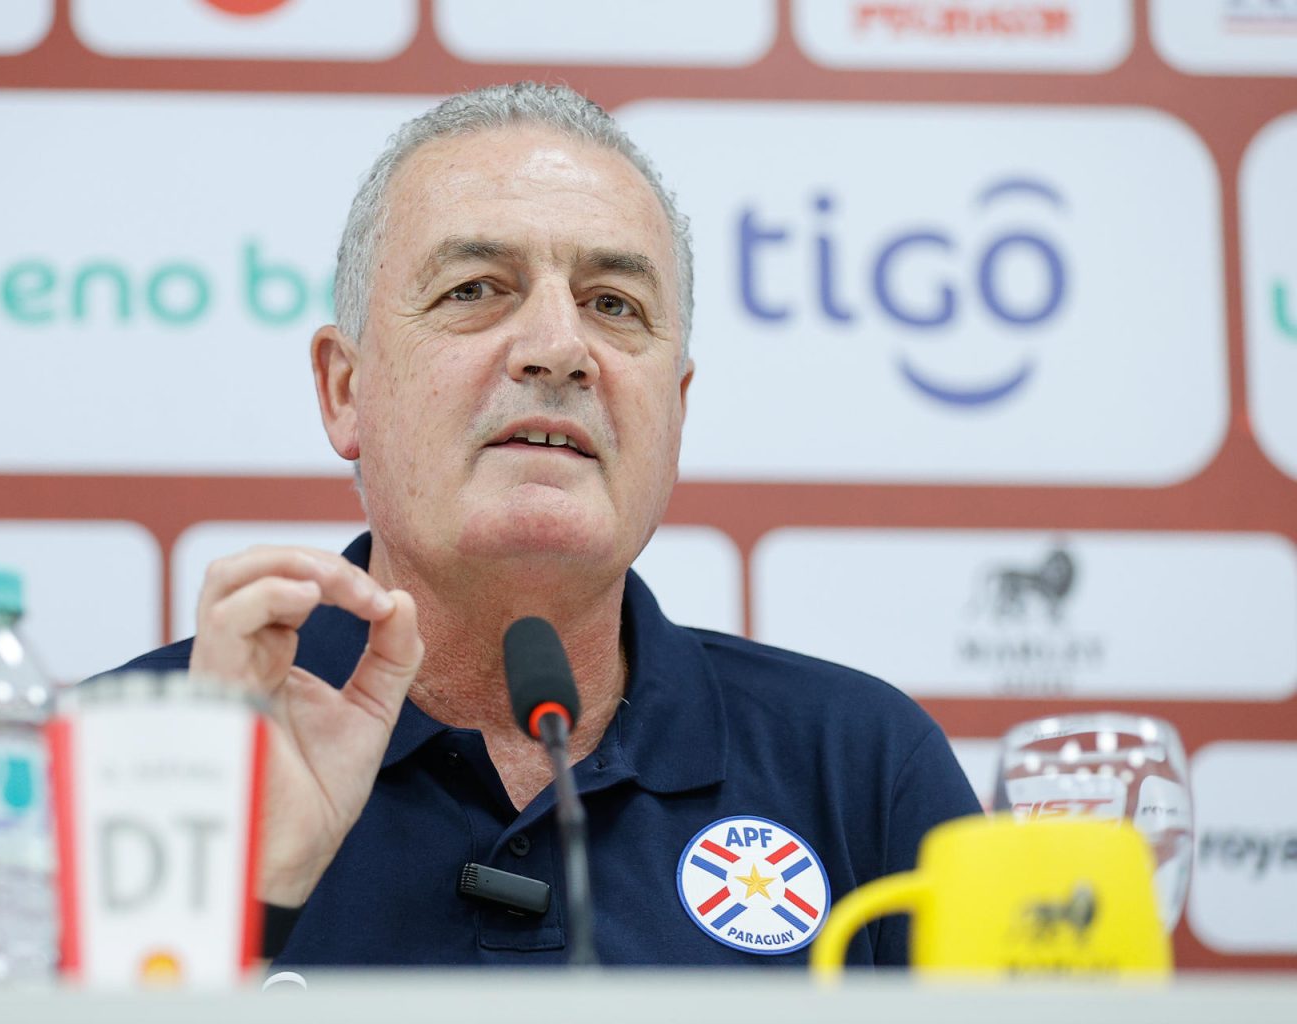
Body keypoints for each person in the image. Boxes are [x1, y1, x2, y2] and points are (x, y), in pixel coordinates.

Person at [112, 82, 980, 966]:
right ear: (345, 390)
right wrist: (240, 902)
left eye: (614, 305)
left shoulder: (861, 765)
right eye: (476, 289)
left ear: (675, 414)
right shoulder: (129, 762)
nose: (559, 348)